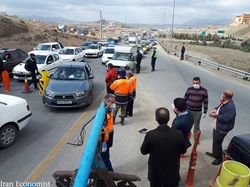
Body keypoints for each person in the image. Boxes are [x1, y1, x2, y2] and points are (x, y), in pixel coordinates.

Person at [141, 107, 187, 187]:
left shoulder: (150, 135)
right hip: (172, 174)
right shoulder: (178, 134)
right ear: (169, 118)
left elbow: (143, 151)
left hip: (155, 174)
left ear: (156, 119)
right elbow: (183, 150)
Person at [206, 89, 236, 165]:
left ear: (225, 96)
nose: (222, 95)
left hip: (222, 129)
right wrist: (215, 110)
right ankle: (214, 153)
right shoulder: (225, 102)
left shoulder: (230, 107)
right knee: (215, 142)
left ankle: (219, 158)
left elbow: (226, 118)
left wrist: (215, 115)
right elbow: (219, 107)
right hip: (217, 126)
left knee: (218, 143)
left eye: (223, 94)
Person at [101, 93, 116, 172]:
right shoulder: (102, 112)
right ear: (106, 101)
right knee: (104, 156)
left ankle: (109, 172)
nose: (113, 104)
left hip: (109, 135)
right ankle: (110, 172)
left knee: (106, 155)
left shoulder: (109, 109)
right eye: (112, 102)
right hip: (104, 137)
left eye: (114, 102)